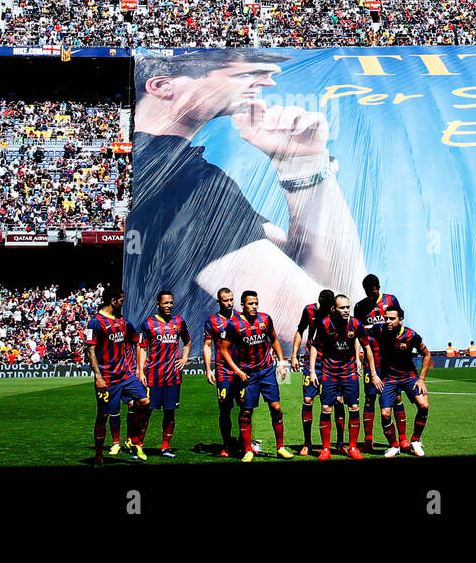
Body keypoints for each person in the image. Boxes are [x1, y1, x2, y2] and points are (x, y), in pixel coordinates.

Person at [128, 49, 367, 332]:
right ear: (162, 86)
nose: (268, 82)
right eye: (247, 73)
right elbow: (336, 327)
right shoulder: (186, 186)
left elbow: (338, 291)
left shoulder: (170, 173)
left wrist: (302, 164)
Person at [217, 290, 293, 462]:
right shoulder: (233, 324)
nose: (254, 307)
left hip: (266, 370)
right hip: (247, 375)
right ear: (242, 305)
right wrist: (237, 370)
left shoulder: (265, 319)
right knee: (246, 412)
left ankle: (280, 447)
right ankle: (247, 450)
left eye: (256, 303)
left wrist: (281, 363)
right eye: (250, 304)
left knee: (276, 408)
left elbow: (274, 339)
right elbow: (223, 349)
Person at [85, 287, 150, 465]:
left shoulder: (123, 321)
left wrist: (137, 368)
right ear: (113, 301)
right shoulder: (95, 323)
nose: (123, 304)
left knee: (144, 401)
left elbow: (137, 341)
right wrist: (98, 376)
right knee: (103, 416)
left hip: (125, 375)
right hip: (107, 378)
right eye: (121, 301)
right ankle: (99, 454)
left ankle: (133, 439)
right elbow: (90, 350)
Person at [365, 306, 431, 457]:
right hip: (390, 378)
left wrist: (421, 379)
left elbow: (426, 355)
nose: (388, 321)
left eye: (392, 318)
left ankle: (415, 440)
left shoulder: (411, 335)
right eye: (386, 318)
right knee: (385, 413)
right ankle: (394, 446)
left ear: (400, 320)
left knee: (424, 405)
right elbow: (359, 329)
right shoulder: (379, 329)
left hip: (409, 376)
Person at [136, 291, 191, 459]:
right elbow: (142, 347)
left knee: (170, 412)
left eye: (171, 303)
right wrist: (141, 370)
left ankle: (165, 447)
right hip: (153, 375)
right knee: (146, 412)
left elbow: (187, 341)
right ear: (158, 304)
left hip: (173, 376)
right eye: (165, 303)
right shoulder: (148, 324)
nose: (169, 306)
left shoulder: (179, 322)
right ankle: (139, 446)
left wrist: (184, 358)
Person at [309, 294, 364, 460]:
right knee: (326, 408)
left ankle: (353, 447)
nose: (346, 310)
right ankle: (326, 449)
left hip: (348, 372)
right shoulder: (325, 324)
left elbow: (358, 341)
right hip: (329, 372)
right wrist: (312, 371)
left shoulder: (356, 324)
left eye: (348, 307)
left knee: (353, 407)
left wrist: (358, 360)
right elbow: (315, 347)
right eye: (342, 307)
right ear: (334, 309)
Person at [353, 274, 403, 452]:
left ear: (378, 288)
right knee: (369, 398)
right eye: (368, 292)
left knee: (396, 396)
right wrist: (357, 356)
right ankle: (368, 439)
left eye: (374, 292)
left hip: (391, 359)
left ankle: (403, 439)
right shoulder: (360, 307)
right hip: (371, 359)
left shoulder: (391, 300)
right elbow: (357, 333)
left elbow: (399, 325)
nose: (372, 296)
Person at [290, 289, 335, 456]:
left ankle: (335, 444)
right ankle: (307, 443)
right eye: (325, 307)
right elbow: (300, 330)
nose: (328, 311)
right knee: (308, 399)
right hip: (312, 362)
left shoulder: (335, 311)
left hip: (332, 362)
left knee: (336, 402)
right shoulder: (309, 310)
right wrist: (294, 356)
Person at [203, 287, 243, 457]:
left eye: (231, 299)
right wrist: (208, 369)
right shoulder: (212, 321)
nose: (229, 303)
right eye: (225, 300)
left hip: (242, 370)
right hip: (223, 371)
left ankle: (243, 442)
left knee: (245, 406)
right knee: (225, 408)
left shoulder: (242, 317)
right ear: (218, 301)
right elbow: (207, 346)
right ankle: (227, 444)